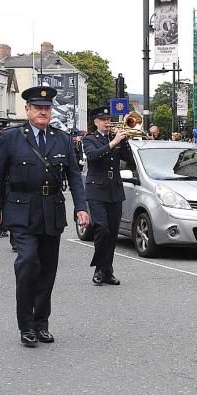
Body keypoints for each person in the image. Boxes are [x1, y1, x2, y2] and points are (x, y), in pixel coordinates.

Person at [0, 86, 89, 347]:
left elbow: (74, 177)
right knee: (28, 262)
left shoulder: (62, 139)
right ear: (27, 110)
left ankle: (41, 323)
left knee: (47, 270)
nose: (43, 112)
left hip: (51, 210)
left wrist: (81, 207)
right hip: (21, 209)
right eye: (38, 108)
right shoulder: (11, 137)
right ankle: (26, 326)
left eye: (46, 108)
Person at [82, 106, 135, 286]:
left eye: (108, 119)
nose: (107, 122)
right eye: (103, 119)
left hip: (114, 189)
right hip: (96, 190)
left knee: (112, 233)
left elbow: (130, 160)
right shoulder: (89, 138)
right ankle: (99, 268)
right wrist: (113, 143)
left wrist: (124, 139)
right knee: (102, 228)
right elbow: (92, 156)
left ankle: (107, 270)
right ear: (96, 122)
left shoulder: (116, 138)